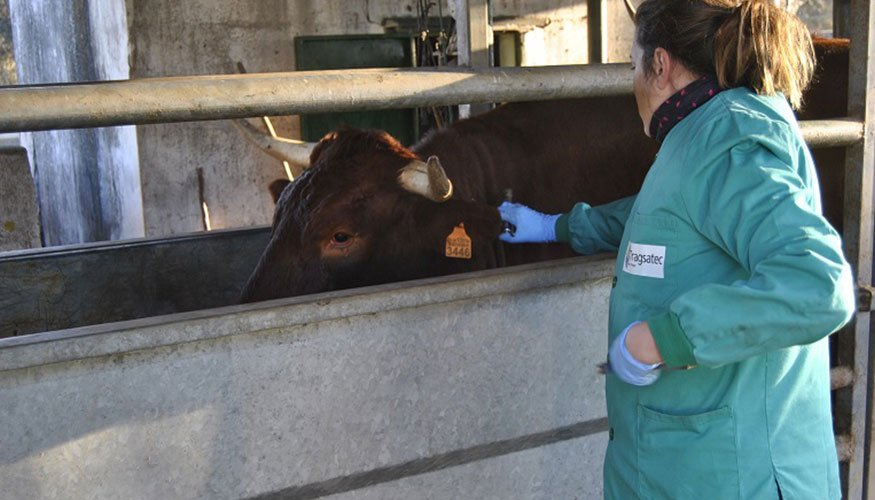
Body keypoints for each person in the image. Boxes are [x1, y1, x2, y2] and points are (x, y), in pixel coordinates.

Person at [498, 0, 856, 498]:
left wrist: (662, 338)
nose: (633, 83)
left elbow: (817, 284)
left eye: (632, 66)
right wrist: (556, 227)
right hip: (693, 465)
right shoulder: (699, 134)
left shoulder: (728, 139)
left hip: (736, 475)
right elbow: (660, 220)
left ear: (661, 66)